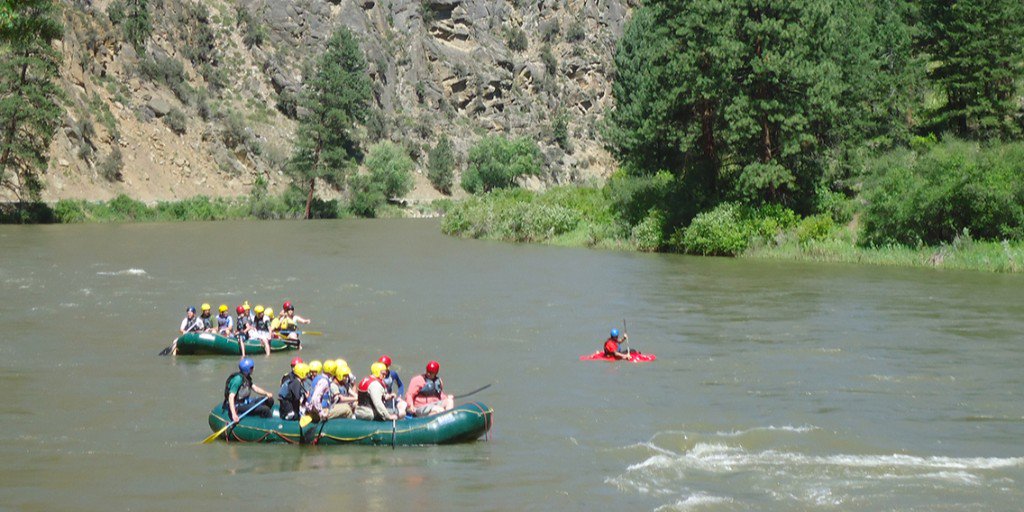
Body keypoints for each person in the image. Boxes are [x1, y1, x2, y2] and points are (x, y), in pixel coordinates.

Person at [223, 357, 274, 422]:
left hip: (245, 402)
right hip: (238, 405)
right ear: (247, 369)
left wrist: (266, 393)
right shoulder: (238, 380)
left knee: (270, 400)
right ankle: (269, 423)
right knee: (265, 409)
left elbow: (255, 388)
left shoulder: (247, 377)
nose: (253, 369)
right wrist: (234, 414)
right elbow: (231, 397)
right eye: (252, 368)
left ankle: (262, 416)